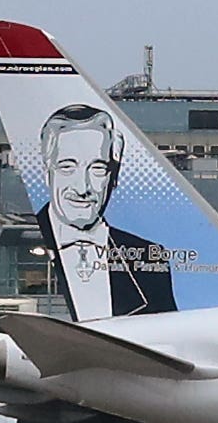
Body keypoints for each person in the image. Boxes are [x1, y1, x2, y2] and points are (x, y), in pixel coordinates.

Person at [37, 103, 175, 321]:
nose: (82, 188)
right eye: (67, 167)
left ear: (114, 177)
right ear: (47, 173)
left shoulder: (148, 255)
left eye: (98, 169)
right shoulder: (31, 240)